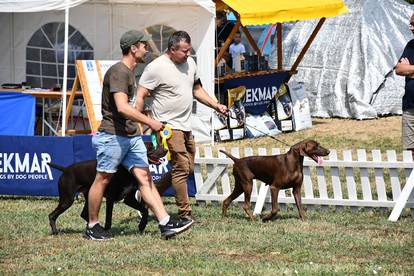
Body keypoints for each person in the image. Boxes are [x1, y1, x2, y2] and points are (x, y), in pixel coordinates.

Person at [85, 30, 193, 241]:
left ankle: (165, 223)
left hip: (130, 135)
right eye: (144, 45)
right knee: (103, 178)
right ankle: (92, 226)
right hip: (113, 136)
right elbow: (122, 107)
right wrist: (150, 122)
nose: (146, 49)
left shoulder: (130, 72)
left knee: (145, 177)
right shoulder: (119, 72)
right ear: (133, 48)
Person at [137, 31, 228, 221]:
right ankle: (185, 214)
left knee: (186, 168)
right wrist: (142, 124)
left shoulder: (190, 63)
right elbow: (141, 95)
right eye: (184, 51)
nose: (188, 54)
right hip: (168, 127)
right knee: (180, 168)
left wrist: (216, 105)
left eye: (189, 50)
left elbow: (197, 89)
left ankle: (146, 198)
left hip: (187, 125)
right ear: (172, 49)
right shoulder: (156, 68)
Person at [396, 13, 414, 159]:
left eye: (413, 24)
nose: (411, 27)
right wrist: (407, 70)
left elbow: (406, 69)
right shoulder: (410, 45)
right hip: (409, 105)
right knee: (412, 150)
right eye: (410, 24)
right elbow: (399, 69)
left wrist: (411, 69)